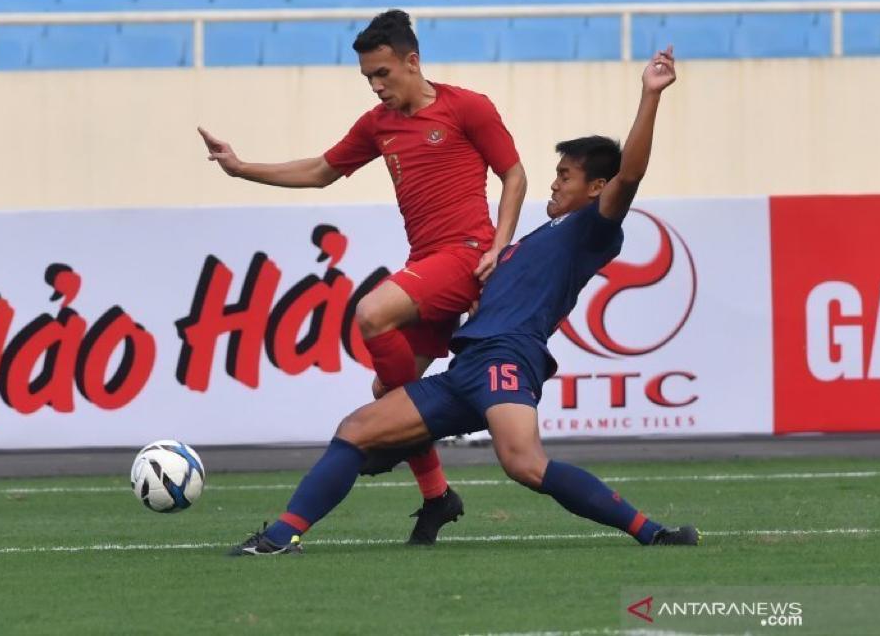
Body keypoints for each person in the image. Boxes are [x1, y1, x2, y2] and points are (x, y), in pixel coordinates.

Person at [229, 46, 700, 556]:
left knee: (524, 464)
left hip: (506, 357)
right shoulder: (529, 241)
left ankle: (652, 533)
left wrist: (649, 96)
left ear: (597, 188)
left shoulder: (592, 229)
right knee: (357, 428)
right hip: (465, 366)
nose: (554, 181)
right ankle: (280, 538)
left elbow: (630, 174)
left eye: (566, 175)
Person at [198, 9, 528, 544]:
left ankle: (408, 452)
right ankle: (438, 496)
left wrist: (498, 248)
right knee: (387, 394)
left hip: (465, 256)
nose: (376, 87)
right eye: (368, 78)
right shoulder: (379, 126)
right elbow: (321, 171)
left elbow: (514, 174)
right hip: (427, 263)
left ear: (412, 61)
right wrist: (242, 168)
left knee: (372, 313)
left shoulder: (467, 107)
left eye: (383, 74)